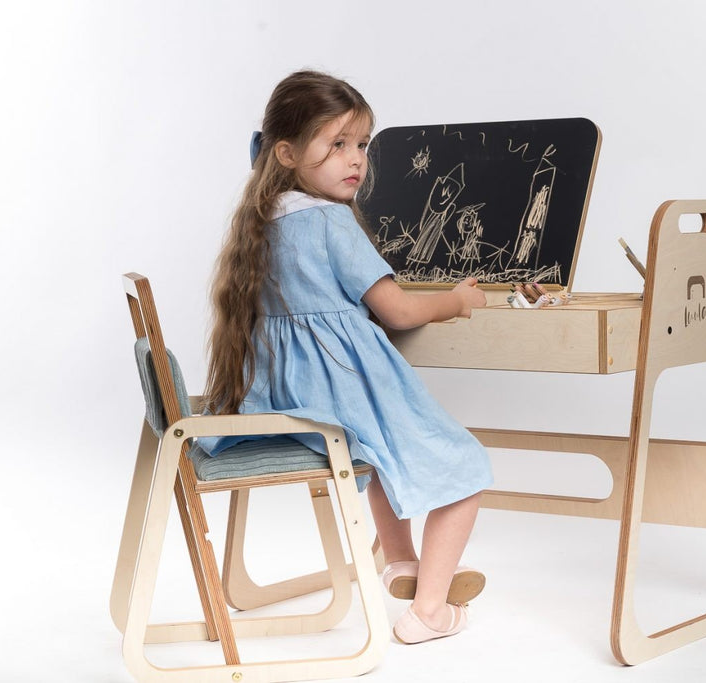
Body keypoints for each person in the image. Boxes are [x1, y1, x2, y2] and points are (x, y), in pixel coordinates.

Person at [202, 70, 493, 644]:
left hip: (299, 403)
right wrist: (457, 300)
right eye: (336, 145)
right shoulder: (330, 220)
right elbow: (400, 313)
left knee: (381, 454)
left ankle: (403, 562)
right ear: (285, 153)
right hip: (344, 391)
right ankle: (429, 612)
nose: (354, 160)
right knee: (466, 469)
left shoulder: (260, 221)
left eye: (361, 144)